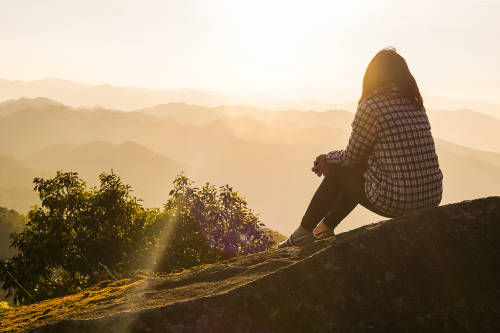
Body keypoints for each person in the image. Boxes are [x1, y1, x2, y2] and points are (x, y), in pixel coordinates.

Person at [279, 48, 443, 248]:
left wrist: (327, 159)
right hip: (431, 196)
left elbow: (352, 158)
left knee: (339, 173)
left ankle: (303, 233)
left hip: (401, 200)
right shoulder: (415, 104)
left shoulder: (372, 107)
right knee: (358, 173)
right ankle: (325, 227)